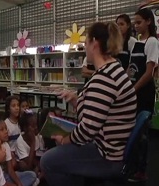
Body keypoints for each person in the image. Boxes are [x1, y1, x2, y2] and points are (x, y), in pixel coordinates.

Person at [40, 21, 137, 186]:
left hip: (107, 154)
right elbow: (98, 113)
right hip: (112, 146)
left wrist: (64, 140)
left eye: (86, 43)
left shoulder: (104, 78)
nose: (85, 47)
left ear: (95, 43)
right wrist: (76, 100)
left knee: (47, 161)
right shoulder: (114, 69)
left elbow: (87, 130)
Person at [127, 8, 159, 182]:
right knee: (133, 131)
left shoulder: (152, 42)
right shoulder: (135, 43)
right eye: (135, 22)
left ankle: (141, 171)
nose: (136, 26)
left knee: (142, 132)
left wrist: (133, 89)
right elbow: (131, 69)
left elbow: (148, 73)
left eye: (139, 22)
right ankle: (131, 166)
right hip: (134, 91)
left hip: (144, 92)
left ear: (148, 21)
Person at [0, 117, 37, 186]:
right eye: (2, 130)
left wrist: (19, 184)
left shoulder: (6, 145)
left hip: (5, 177)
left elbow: (10, 170)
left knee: (32, 175)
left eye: (6, 128)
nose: (6, 131)